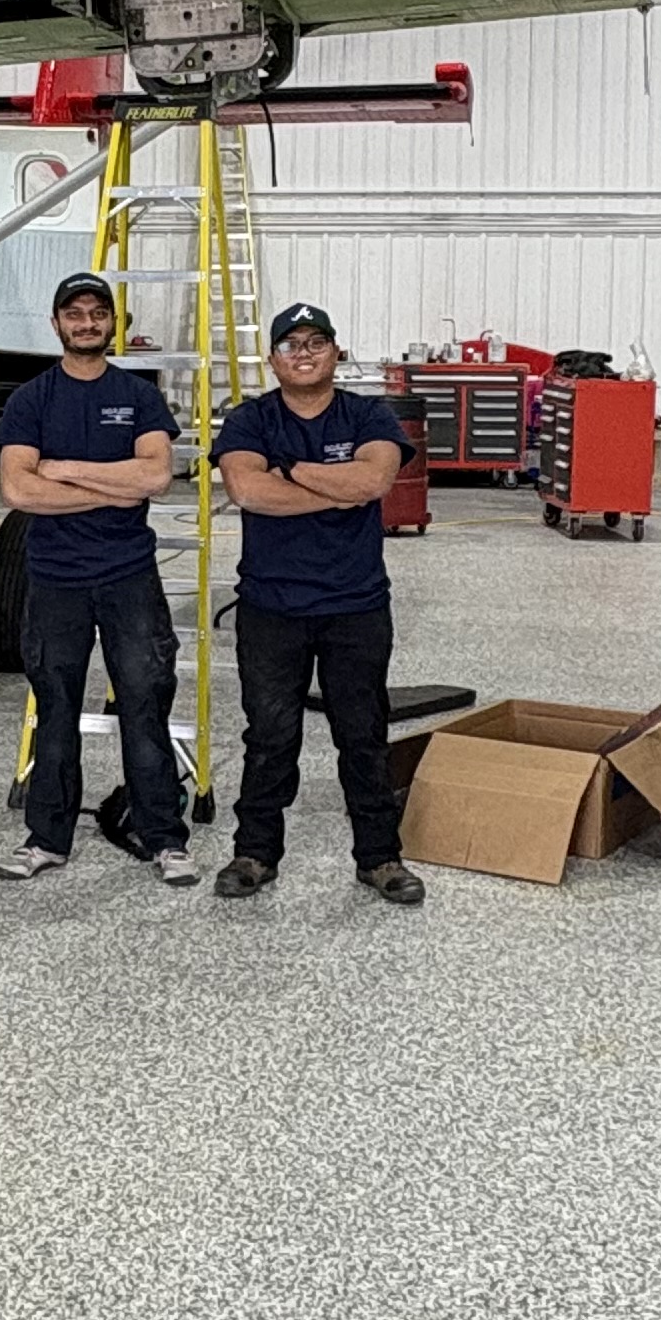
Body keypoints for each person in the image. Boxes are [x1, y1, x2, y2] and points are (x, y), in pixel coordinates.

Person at [210, 304, 423, 904]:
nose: (303, 353)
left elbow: (374, 483)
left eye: (316, 342)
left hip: (355, 606)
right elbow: (249, 492)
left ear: (336, 352)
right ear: (273, 357)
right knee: (270, 735)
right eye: (290, 344)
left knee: (363, 734)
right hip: (271, 606)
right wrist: (337, 489)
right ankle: (254, 853)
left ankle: (380, 858)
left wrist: (292, 468)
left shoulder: (369, 414)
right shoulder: (249, 419)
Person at [0, 272, 194, 885]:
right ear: (56, 324)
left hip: (128, 577)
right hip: (55, 581)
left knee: (145, 702)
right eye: (73, 313)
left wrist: (68, 472)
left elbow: (156, 478)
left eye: (97, 312)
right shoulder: (31, 400)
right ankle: (46, 838)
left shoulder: (139, 396)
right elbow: (20, 489)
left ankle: (164, 838)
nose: (86, 322)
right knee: (54, 708)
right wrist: (112, 486)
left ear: (114, 323)